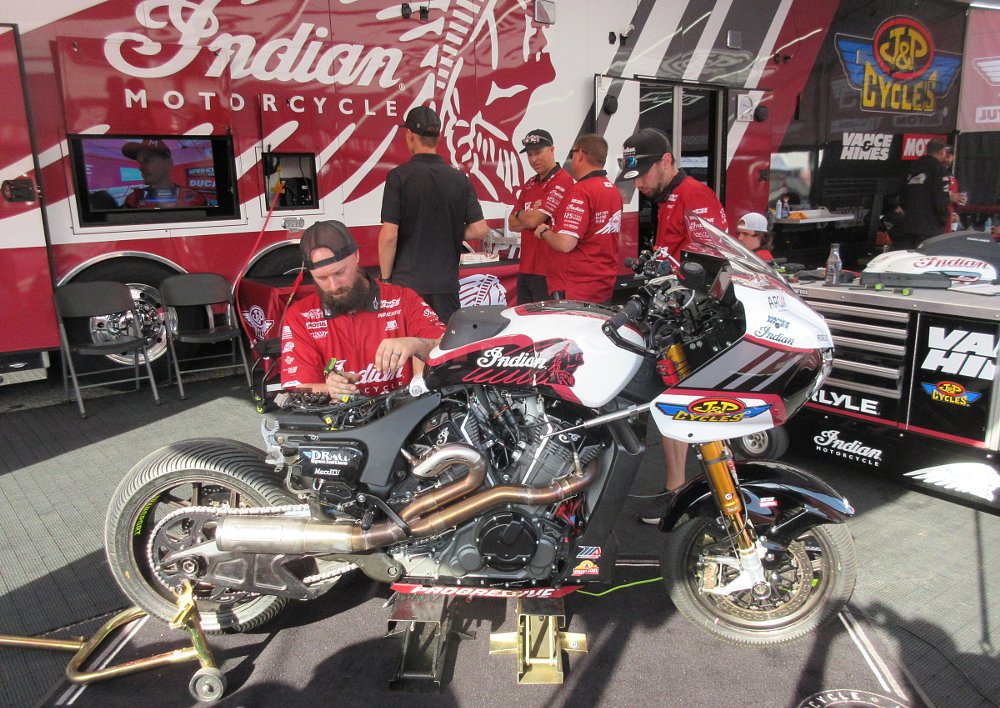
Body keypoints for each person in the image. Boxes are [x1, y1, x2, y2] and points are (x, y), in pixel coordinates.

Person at [616, 127, 729, 525]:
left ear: (667, 160)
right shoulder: (667, 199)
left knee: (682, 407)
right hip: (671, 317)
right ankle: (678, 489)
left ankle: (687, 494)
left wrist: (680, 306)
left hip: (691, 323)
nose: (640, 184)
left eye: (644, 173)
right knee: (674, 407)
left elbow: (710, 263)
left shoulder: (695, 195)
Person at [281, 220, 445, 397]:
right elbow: (297, 390)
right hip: (342, 419)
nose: (334, 285)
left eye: (339, 273)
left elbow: (448, 349)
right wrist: (331, 390)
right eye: (322, 278)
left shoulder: (403, 299)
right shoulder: (301, 316)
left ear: (356, 256)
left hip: (404, 415)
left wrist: (415, 344)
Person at [379, 106, 489, 323]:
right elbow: (480, 230)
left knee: (411, 348)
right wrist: (448, 230)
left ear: (410, 135)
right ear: (438, 137)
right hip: (445, 286)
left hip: (408, 285)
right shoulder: (460, 179)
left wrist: (385, 280)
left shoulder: (398, 178)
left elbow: (389, 235)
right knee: (442, 348)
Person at [534, 133, 622, 303]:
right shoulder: (612, 189)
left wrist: (545, 232)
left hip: (577, 287)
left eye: (572, 154)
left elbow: (566, 243)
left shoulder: (581, 191)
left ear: (580, 154)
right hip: (603, 283)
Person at [508, 129, 574, 303]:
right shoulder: (530, 183)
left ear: (551, 150)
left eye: (538, 152)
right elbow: (512, 224)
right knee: (524, 323)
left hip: (549, 271)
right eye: (529, 154)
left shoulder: (563, 180)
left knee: (546, 326)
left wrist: (523, 214)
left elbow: (533, 220)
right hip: (526, 268)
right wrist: (524, 215)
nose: (533, 159)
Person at [121, 139, 208, 209]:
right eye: (140, 162)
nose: (141, 168)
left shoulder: (196, 199)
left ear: (168, 163)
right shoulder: (133, 200)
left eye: (148, 161)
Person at [897, 139, 950, 249]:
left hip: (910, 224)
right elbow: (940, 198)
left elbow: (902, 194)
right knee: (926, 260)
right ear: (942, 152)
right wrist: (943, 218)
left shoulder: (913, 166)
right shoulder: (939, 169)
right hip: (930, 226)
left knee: (910, 258)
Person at [943, 145, 967, 232]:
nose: (947, 157)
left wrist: (956, 213)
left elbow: (957, 200)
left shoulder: (952, 177)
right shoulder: (934, 173)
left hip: (949, 220)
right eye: (945, 154)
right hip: (936, 220)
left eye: (949, 155)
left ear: (953, 157)